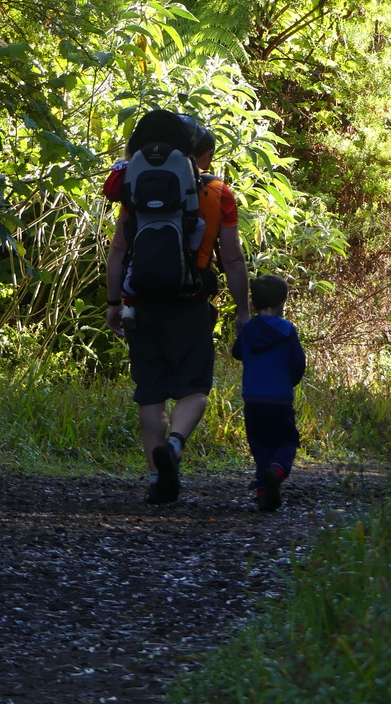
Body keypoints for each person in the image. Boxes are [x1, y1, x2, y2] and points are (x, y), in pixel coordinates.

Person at [105, 109, 251, 504]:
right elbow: (233, 259)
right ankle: (173, 444)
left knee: (150, 391)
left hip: (142, 303)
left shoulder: (134, 189)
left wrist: (114, 302)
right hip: (190, 303)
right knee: (196, 387)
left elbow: (118, 251)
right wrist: (243, 310)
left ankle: (157, 481)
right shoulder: (219, 193)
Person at [231, 274, 306, 512]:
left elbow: (237, 353)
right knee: (287, 441)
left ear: (253, 302)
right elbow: (298, 363)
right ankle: (276, 471)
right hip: (280, 398)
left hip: (253, 398)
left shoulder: (249, 329)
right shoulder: (287, 330)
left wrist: (240, 332)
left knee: (260, 443)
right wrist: (289, 382)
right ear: (283, 301)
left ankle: (264, 491)